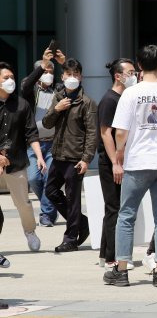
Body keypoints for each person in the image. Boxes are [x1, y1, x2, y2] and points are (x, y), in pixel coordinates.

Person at [103, 45, 157, 288]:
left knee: (126, 215)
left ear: (139, 66)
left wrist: (120, 153)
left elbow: (120, 132)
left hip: (137, 162)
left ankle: (121, 270)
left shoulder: (130, 94)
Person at [42, 58, 96, 253]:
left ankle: (71, 238)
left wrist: (86, 158)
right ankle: (82, 223)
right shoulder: (58, 97)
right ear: (62, 76)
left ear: (80, 77)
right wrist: (57, 109)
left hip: (75, 157)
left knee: (73, 198)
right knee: (51, 191)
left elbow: (92, 133)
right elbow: (47, 124)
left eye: (76, 74)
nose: (72, 78)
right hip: (58, 154)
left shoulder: (87, 103)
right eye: (68, 74)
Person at [97, 58, 137, 270]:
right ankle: (113, 257)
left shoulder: (125, 98)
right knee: (115, 209)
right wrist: (115, 162)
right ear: (118, 76)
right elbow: (106, 134)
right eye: (130, 73)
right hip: (111, 162)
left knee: (113, 208)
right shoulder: (110, 100)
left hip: (121, 160)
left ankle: (106, 254)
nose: (134, 76)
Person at [0, 62, 43, 253]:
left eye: (12, 77)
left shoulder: (22, 104)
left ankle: (30, 231)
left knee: (23, 203)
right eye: (5, 78)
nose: (10, 81)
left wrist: (40, 156)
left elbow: (31, 133)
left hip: (16, 163)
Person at [20, 47, 66, 227]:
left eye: (51, 71)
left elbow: (72, 83)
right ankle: (50, 202)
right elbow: (25, 86)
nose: (48, 74)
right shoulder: (31, 90)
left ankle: (46, 214)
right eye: (45, 71)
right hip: (33, 143)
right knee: (33, 178)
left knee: (48, 179)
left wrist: (63, 63)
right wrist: (43, 64)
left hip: (53, 142)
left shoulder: (59, 89)